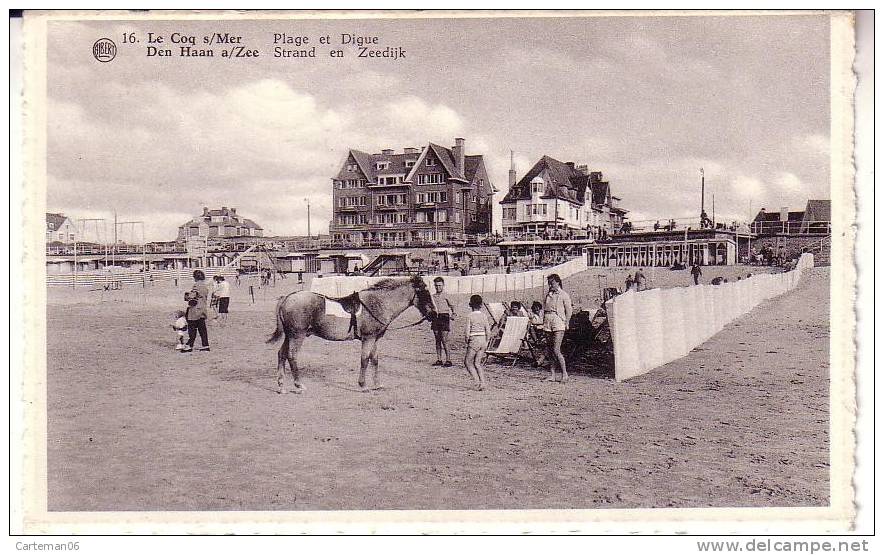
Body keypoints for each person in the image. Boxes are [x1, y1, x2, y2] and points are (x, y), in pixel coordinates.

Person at [543, 273, 572, 383]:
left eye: (552, 283)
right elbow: (545, 307)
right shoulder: (548, 295)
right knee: (550, 350)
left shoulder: (564, 295)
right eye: (549, 283)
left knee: (556, 349)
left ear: (558, 282)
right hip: (547, 320)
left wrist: (567, 322)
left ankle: (565, 374)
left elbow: (569, 310)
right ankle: (552, 374)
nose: (550, 285)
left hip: (558, 321)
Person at [464, 294, 491, 391]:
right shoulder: (484, 316)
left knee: (467, 362)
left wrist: (467, 341)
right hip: (483, 340)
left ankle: (476, 381)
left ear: (470, 304)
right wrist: (487, 342)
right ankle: (483, 382)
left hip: (474, 340)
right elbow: (488, 331)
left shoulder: (470, 316)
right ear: (481, 305)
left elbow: (467, 332)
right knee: (477, 363)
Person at [430, 277, 456, 367]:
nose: (438, 287)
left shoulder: (446, 295)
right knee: (437, 339)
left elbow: (453, 306)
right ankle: (439, 359)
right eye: (436, 286)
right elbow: (430, 308)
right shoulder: (432, 297)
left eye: (440, 285)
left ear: (443, 285)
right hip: (435, 318)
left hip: (444, 317)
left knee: (444, 339)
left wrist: (454, 314)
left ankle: (448, 360)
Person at [183, 269, 210, 352]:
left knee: (192, 328)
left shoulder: (196, 285)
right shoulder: (205, 286)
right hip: (202, 308)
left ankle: (189, 345)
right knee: (202, 329)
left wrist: (186, 296)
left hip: (195, 310)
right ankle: (205, 345)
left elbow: (192, 296)